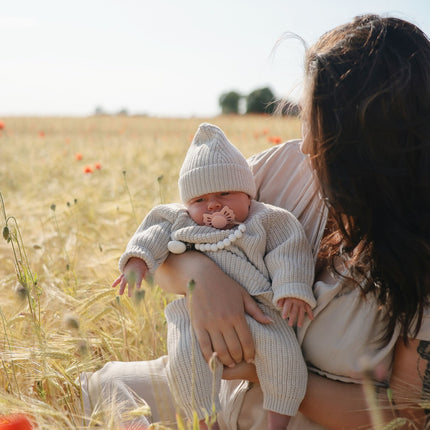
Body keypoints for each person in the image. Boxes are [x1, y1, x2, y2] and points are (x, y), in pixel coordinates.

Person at [80, 14, 430, 429]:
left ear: (366, 136)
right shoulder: (283, 167)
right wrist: (204, 281)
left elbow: (406, 416)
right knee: (104, 387)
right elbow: (166, 243)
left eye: (319, 120)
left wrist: (262, 367)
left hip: (301, 420)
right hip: (216, 392)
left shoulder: (419, 247)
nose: (307, 141)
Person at [112, 122, 316, 430]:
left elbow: (288, 250)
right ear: (187, 204)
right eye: (199, 200)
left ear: (248, 196)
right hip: (194, 316)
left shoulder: (268, 219)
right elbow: (153, 231)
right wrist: (138, 260)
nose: (213, 204)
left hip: (260, 311)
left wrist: (291, 288)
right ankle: (206, 423)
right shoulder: (179, 219)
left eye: (224, 192)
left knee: (285, 359)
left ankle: (279, 420)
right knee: (185, 360)